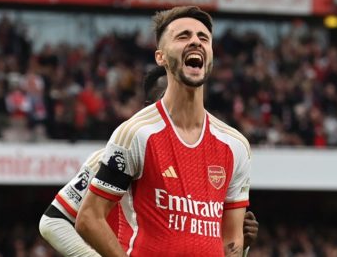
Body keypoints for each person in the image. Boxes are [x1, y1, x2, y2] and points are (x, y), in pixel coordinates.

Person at [75, 6, 252, 256]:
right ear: (161, 57)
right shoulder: (136, 134)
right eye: (183, 36)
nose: (195, 41)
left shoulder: (235, 145)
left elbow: (231, 239)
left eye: (204, 38)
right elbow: (89, 218)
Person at [39, 66, 257, 256]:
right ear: (148, 105)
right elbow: (53, 221)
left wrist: (239, 243)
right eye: (169, 94)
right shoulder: (112, 157)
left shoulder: (209, 160)